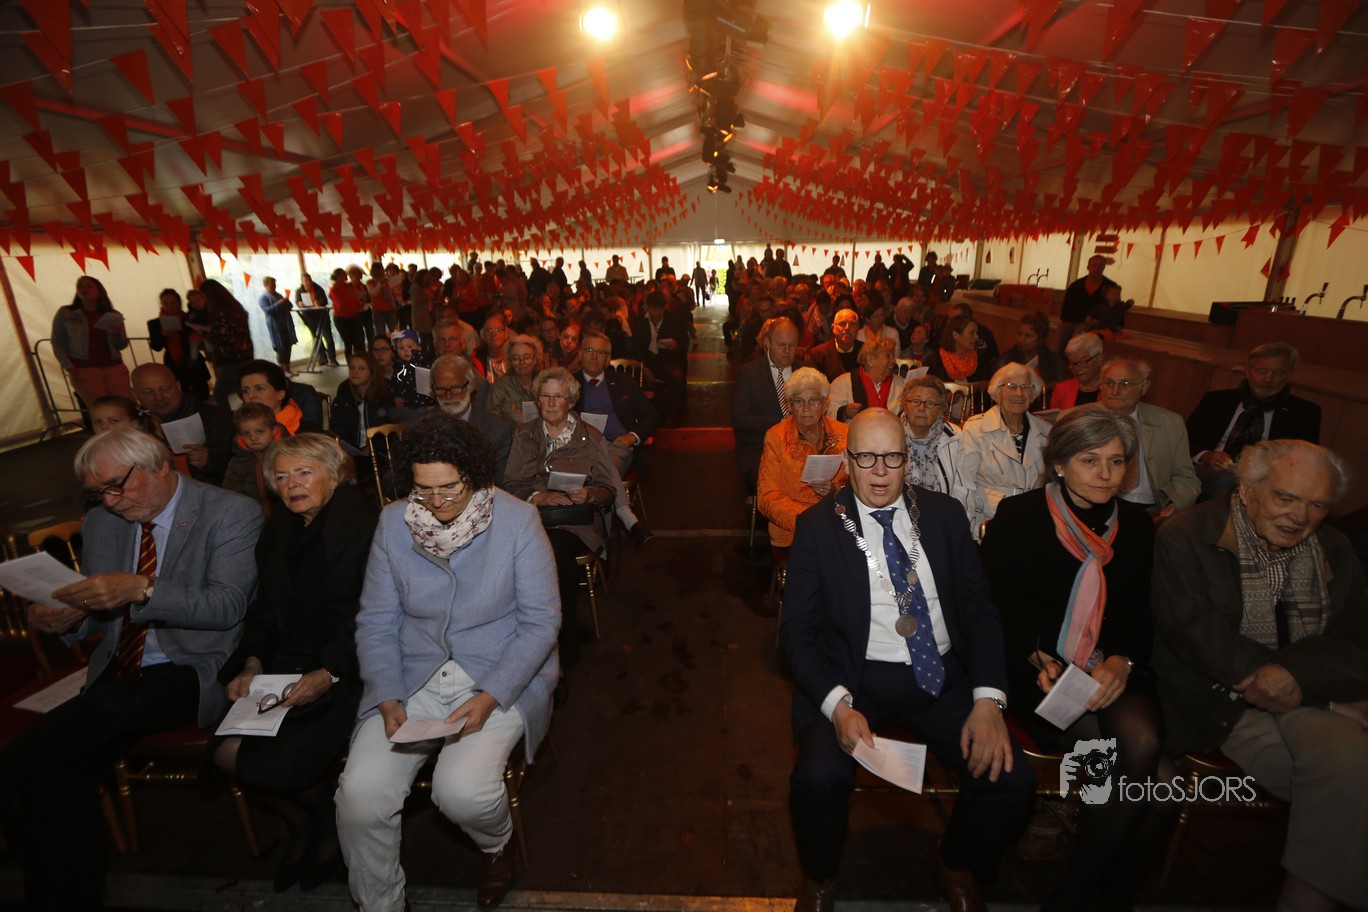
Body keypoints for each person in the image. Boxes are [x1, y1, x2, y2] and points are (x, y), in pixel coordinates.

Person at [781, 409, 1035, 912]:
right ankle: (820, 874)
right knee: (817, 779)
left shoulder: (944, 516)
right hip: (852, 678)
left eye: (892, 457)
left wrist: (988, 700)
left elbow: (980, 611)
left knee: (1011, 782)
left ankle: (956, 861)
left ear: (908, 460)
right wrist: (837, 706)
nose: (880, 471)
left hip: (939, 676)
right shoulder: (817, 527)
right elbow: (797, 634)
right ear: (846, 461)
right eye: (866, 457)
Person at [0, 426, 260, 910]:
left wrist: (143, 589)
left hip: (197, 665)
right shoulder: (103, 521)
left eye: (117, 485)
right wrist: (67, 619)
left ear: (160, 466)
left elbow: (227, 608)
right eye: (97, 492)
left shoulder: (230, 512)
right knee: (53, 778)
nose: (110, 501)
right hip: (121, 666)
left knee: (110, 704)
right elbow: (97, 613)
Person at [334, 413, 560, 912]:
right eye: (423, 490)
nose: (437, 502)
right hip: (413, 675)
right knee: (360, 797)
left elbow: (541, 622)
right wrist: (387, 695)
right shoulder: (393, 522)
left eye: (449, 488)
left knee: (461, 791)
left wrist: (491, 697)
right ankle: (381, 905)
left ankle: (497, 845)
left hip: (497, 673)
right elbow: (376, 620)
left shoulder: (518, 520)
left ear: (473, 475)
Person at [1150, 440, 1368, 912]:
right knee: (1348, 778)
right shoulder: (1185, 536)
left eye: (1317, 505)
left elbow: (1357, 639)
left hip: (1311, 689)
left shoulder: (1333, 547)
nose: (1300, 517)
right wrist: (1323, 697)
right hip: (1219, 700)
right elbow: (1204, 643)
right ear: (1247, 490)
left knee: (1347, 778)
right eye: (1285, 498)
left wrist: (1297, 676)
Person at [982, 408, 1175, 910]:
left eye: (1116, 461)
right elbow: (994, 609)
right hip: (1041, 674)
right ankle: (1081, 897)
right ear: (1059, 464)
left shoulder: (1136, 526)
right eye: (1090, 460)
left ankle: (1092, 894)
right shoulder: (1020, 516)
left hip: (1112, 668)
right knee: (1141, 777)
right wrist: (1036, 657)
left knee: (1154, 768)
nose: (1106, 474)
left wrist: (1122, 662)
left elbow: (1138, 614)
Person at [212, 433, 376, 893]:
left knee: (278, 762)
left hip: (354, 666)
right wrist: (252, 662)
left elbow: (375, 618)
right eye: (281, 478)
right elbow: (266, 608)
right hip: (288, 664)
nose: (291, 485)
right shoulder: (279, 531)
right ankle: (314, 820)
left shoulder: (363, 526)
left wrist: (329, 672)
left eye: (304, 473)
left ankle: (329, 827)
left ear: (336, 475)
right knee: (224, 753)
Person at [504, 367, 642, 669]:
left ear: (571, 401)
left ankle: (559, 642)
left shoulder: (589, 436)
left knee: (553, 551)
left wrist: (590, 494)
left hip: (575, 522)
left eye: (558, 397)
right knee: (529, 549)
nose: (551, 403)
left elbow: (608, 489)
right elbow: (510, 483)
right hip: (533, 517)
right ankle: (535, 634)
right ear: (537, 400)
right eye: (545, 396)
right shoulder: (524, 433)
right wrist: (537, 496)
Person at [1186, 342, 1322, 501]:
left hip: (1269, 479)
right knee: (1227, 482)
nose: (1268, 379)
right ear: (1248, 371)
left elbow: (1306, 460)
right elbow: (1185, 441)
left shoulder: (1304, 412)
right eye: (1262, 371)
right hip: (1212, 471)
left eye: (1278, 373)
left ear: (1289, 375)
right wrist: (1205, 455)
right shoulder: (1217, 400)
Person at [757, 367, 848, 549]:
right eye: (799, 401)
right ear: (789, 406)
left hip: (838, 525)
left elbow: (860, 485)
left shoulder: (844, 434)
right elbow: (766, 497)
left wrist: (835, 490)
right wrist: (810, 521)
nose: (806, 408)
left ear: (825, 404)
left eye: (813, 401)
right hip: (794, 531)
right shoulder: (776, 437)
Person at [1096, 358, 1200, 516]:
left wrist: (1174, 504)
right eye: (1109, 383)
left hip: (1152, 510)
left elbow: (1187, 479)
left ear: (1144, 387)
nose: (1115, 391)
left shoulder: (1170, 423)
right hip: (1098, 506)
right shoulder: (1077, 419)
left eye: (1125, 384)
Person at [959, 363, 1050, 536]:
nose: (1019, 393)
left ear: (1033, 393)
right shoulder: (975, 429)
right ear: (997, 392)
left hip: (1035, 521)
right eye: (1011, 386)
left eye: (1025, 387)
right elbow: (965, 483)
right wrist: (969, 527)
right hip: (989, 520)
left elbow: (1051, 484)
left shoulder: (1046, 432)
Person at [130, 362, 236, 485]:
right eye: (148, 392)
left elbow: (246, 475)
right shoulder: (133, 428)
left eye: (165, 389)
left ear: (178, 386)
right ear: (135, 394)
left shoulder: (218, 419)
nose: (159, 397)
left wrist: (210, 463)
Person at [575, 330, 659, 477]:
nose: (594, 357)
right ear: (580, 354)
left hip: (615, 447)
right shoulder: (568, 383)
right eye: (589, 350)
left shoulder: (623, 382)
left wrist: (632, 436)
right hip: (580, 448)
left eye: (600, 352)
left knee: (601, 476)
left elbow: (651, 415)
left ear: (608, 359)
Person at [733, 317, 803, 492]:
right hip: (760, 449)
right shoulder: (749, 373)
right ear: (767, 343)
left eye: (792, 345)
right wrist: (782, 423)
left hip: (801, 448)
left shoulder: (806, 372)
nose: (787, 351)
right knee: (777, 481)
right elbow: (739, 419)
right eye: (781, 345)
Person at [429, 355, 515, 486]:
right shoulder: (420, 427)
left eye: (455, 388)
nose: (448, 396)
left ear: (471, 385)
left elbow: (500, 482)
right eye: (440, 390)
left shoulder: (498, 429)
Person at [52, 275, 132, 410]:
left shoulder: (112, 314)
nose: (84, 289)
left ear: (99, 291)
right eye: (80, 286)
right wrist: (69, 366)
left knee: (124, 407)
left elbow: (122, 345)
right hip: (84, 369)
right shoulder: (66, 313)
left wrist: (117, 333)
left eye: (89, 286)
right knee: (100, 409)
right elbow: (57, 342)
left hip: (114, 367)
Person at [899, 376, 970, 510]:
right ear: (905, 405)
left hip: (941, 514)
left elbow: (962, 488)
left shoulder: (954, 436)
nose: (921, 408)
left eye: (930, 403)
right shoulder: (891, 433)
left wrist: (956, 519)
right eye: (916, 401)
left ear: (940, 410)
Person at [631, 291, 690, 422]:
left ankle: (671, 416)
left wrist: (676, 345)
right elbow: (636, 347)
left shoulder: (673, 320)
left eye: (660, 309)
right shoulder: (640, 322)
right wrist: (643, 366)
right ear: (648, 307)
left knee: (677, 378)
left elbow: (684, 342)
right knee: (633, 380)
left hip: (668, 360)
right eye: (654, 309)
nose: (657, 313)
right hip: (647, 361)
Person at [147, 287, 211, 400]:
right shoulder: (155, 323)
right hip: (174, 362)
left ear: (179, 303)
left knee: (202, 396)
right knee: (180, 396)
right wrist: (163, 335)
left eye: (173, 302)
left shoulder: (190, 317)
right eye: (165, 303)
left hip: (193, 360)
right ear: (161, 304)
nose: (169, 306)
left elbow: (205, 334)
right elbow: (156, 346)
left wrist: (198, 337)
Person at [200, 279, 255, 409]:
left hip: (230, 359)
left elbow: (223, 337)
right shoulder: (235, 308)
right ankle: (252, 415)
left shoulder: (220, 313)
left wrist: (204, 334)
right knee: (244, 391)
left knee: (219, 395)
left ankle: (228, 419)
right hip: (245, 355)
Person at [331, 352, 395, 458]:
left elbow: (392, 429)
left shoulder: (386, 394)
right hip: (351, 453)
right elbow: (336, 427)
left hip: (383, 453)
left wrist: (374, 446)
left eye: (361, 368)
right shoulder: (344, 395)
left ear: (372, 371)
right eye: (352, 368)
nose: (355, 372)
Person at [826, 336, 904, 423]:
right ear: (870, 359)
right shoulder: (843, 383)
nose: (893, 361)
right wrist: (845, 411)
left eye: (893, 355)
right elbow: (828, 412)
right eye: (888, 356)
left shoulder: (901, 385)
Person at [238, 359, 325, 436]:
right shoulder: (239, 430)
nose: (251, 396)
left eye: (259, 389)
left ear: (280, 394)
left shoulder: (308, 433)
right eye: (246, 390)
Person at [224, 402, 284, 508]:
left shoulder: (286, 455)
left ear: (274, 430)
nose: (253, 438)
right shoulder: (238, 462)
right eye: (246, 433)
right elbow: (231, 495)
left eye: (259, 431)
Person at [486, 333, 543, 424]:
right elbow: (491, 423)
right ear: (510, 361)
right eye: (516, 358)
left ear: (535, 359)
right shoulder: (500, 387)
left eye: (526, 357)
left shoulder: (544, 384)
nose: (521, 362)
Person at [998, 311, 1066, 384]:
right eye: (1019, 334)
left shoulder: (1054, 362)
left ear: (1040, 339)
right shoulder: (1005, 360)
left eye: (1028, 336)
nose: (1021, 339)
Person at [1049, 333, 1104, 410]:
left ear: (1099, 359)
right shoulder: (1062, 389)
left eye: (1082, 362)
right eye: (1072, 363)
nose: (1076, 368)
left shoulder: (1111, 389)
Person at [934, 314, 993, 384]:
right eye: (972, 333)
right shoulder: (935, 361)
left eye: (976, 333)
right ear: (956, 335)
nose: (977, 337)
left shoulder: (982, 361)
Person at [1061, 255, 1119, 326]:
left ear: (1104, 267)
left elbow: (1114, 310)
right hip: (1072, 320)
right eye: (1094, 265)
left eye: (1100, 265)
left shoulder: (1110, 286)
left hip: (1098, 324)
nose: (1097, 268)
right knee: (1060, 332)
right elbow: (1066, 309)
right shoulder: (1076, 285)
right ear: (1088, 267)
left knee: (1080, 332)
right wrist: (1083, 319)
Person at [807, 307, 862, 382]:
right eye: (842, 324)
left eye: (852, 324)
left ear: (858, 328)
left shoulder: (865, 351)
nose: (847, 328)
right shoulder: (817, 354)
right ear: (833, 328)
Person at [297, 272, 338, 367]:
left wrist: (319, 302)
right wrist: (300, 303)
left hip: (322, 316)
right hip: (310, 318)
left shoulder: (318, 288)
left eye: (309, 280)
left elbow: (325, 300)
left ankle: (332, 358)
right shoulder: (299, 291)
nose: (308, 282)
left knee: (328, 337)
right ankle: (322, 358)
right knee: (316, 338)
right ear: (302, 282)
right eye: (306, 281)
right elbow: (297, 300)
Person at [258, 276, 296, 375]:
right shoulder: (263, 298)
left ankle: (288, 369)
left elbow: (290, 306)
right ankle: (282, 371)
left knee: (287, 346)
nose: (274, 287)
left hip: (286, 324)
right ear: (266, 285)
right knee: (280, 347)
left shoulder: (279, 295)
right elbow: (267, 310)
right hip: (275, 326)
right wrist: (278, 303)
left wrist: (286, 301)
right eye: (272, 285)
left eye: (274, 284)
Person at [330, 267, 366, 360]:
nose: (346, 275)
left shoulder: (349, 286)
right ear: (338, 276)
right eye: (343, 274)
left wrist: (361, 305)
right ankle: (350, 362)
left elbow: (355, 300)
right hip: (341, 318)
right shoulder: (334, 289)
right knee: (348, 342)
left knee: (358, 341)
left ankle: (361, 361)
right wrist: (348, 294)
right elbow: (340, 305)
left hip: (353, 316)